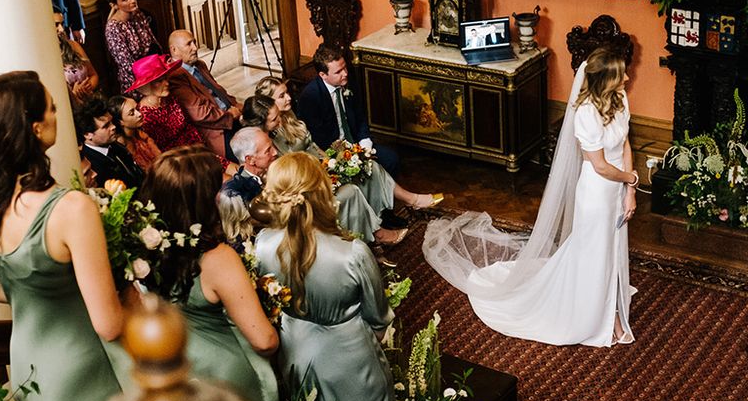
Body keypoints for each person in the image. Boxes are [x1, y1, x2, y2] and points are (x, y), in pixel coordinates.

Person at [423, 47, 638, 347]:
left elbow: (625, 143)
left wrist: (630, 191)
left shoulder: (621, 98)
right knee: (595, 250)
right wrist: (632, 179)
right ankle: (604, 315)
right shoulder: (586, 114)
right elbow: (600, 166)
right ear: (606, 80)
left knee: (611, 247)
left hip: (618, 187)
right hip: (597, 192)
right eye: (622, 74)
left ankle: (609, 301)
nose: (628, 76)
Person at [0, 71, 124, 401]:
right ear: (34, 126)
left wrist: (43, 293)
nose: (60, 113)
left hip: (29, 368)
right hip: (83, 371)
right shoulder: (70, 208)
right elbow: (109, 324)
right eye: (53, 106)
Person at [139, 144, 291, 401]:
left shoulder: (142, 245)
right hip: (227, 376)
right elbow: (265, 341)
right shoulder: (216, 259)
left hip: (177, 370)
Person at [255, 152, 405, 401]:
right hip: (351, 358)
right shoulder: (352, 252)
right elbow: (379, 318)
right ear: (322, 191)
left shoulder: (262, 244)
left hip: (295, 352)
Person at [257, 76, 443, 211]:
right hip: (308, 177)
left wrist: (333, 161)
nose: (289, 98)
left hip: (322, 163)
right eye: (282, 96)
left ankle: (408, 202)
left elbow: (312, 145)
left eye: (287, 93)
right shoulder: (268, 137)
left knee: (372, 167)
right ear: (268, 103)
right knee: (355, 184)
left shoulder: (290, 119)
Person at [236, 108, 410, 246]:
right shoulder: (242, 188)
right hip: (298, 220)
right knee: (350, 193)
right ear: (249, 159)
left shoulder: (272, 164)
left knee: (355, 184)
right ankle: (370, 237)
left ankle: (371, 233)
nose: (275, 152)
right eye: (268, 150)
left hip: (308, 196)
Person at [297, 45, 400, 178]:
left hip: (356, 143)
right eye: (338, 72)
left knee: (391, 160)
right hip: (332, 153)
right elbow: (319, 139)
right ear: (323, 75)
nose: (345, 73)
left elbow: (360, 116)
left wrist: (365, 142)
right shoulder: (311, 97)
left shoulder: (347, 81)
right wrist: (347, 155)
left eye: (344, 67)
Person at [129, 55, 233, 174]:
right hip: (183, 166)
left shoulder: (171, 99)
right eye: (160, 81)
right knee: (228, 181)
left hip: (200, 152)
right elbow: (161, 155)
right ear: (147, 86)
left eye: (165, 78)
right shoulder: (144, 116)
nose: (167, 82)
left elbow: (190, 127)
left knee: (238, 170)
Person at [167, 29, 243, 159]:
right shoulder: (175, 75)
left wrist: (236, 104)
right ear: (174, 50)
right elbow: (199, 114)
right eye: (189, 44)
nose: (195, 48)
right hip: (216, 130)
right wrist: (230, 115)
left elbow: (218, 91)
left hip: (228, 115)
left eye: (194, 42)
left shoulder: (199, 65)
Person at [73, 96, 145, 189]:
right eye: (106, 126)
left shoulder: (115, 146)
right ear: (88, 134)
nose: (113, 127)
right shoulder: (90, 163)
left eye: (111, 122)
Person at [104, 0, 162, 92]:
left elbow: (154, 44)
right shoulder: (113, 29)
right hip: (136, 83)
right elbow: (128, 66)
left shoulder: (138, 14)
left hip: (154, 71)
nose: (132, 0)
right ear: (114, 5)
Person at [107, 95, 162, 172]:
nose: (139, 114)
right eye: (132, 113)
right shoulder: (121, 144)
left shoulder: (139, 132)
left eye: (137, 109)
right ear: (120, 122)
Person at [56, 12, 99, 104]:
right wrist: (74, 94)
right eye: (56, 25)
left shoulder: (72, 45)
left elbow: (93, 75)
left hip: (90, 100)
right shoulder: (44, 57)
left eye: (62, 24)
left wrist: (85, 88)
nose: (61, 29)